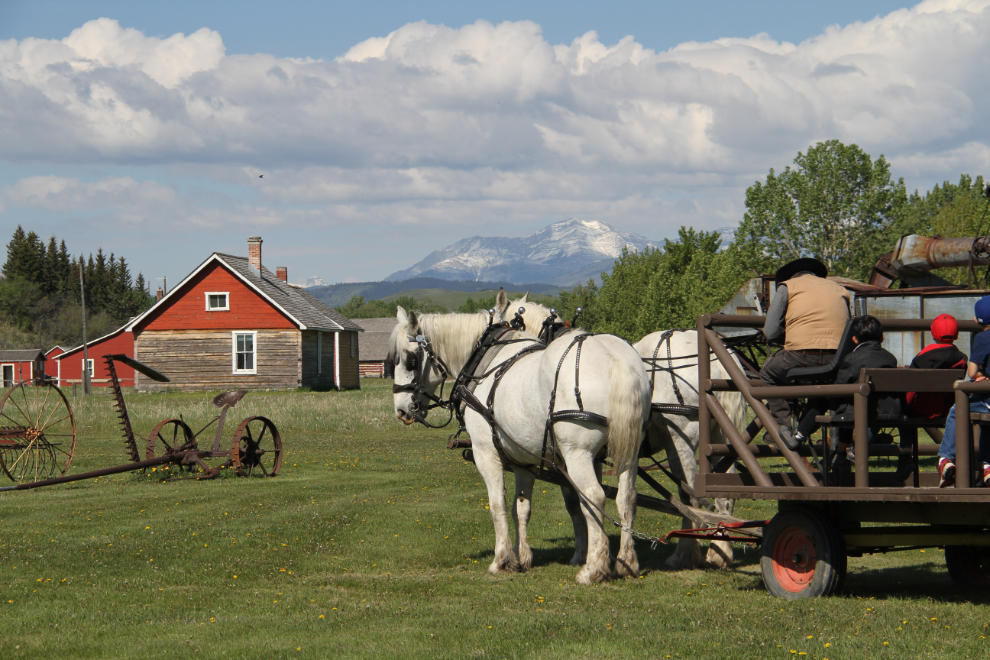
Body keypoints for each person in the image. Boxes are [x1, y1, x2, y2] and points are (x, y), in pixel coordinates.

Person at [787, 316, 900, 475]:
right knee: (850, 402)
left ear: (854, 339)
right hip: (885, 411)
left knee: (824, 397)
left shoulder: (853, 358)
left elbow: (839, 387)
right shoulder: (890, 358)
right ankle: (840, 453)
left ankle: (799, 435)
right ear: (882, 337)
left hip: (858, 411)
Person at [760, 257, 851, 450]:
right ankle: (803, 429)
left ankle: (784, 425)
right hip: (836, 359)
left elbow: (770, 331)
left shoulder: (787, 287)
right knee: (824, 388)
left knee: (768, 374)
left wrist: (788, 334)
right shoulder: (840, 289)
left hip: (799, 355)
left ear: (791, 275)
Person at [896, 314, 967, 477]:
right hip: (944, 409)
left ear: (933, 333)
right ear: (956, 334)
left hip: (918, 408)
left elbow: (910, 385)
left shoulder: (924, 356)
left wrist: (904, 407)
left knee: (904, 416)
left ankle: (906, 456)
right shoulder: (961, 358)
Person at [937, 298, 990, 488]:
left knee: (957, 410)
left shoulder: (983, 338)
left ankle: (945, 458)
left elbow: (972, 372)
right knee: (987, 423)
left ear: (976, 319)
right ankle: (988, 465)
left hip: (987, 400)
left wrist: (981, 373)